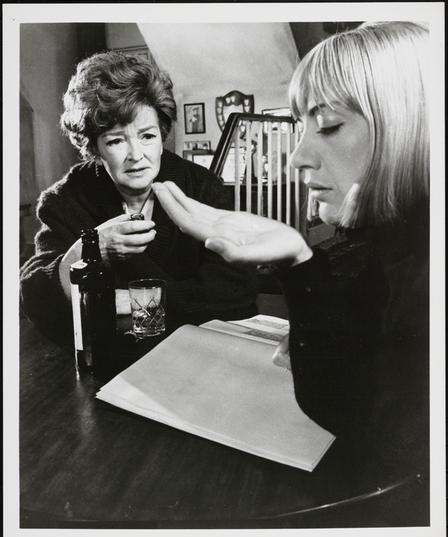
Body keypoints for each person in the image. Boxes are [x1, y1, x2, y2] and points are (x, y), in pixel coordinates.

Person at [152, 22, 429, 475]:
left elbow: (389, 439)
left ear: (410, 127)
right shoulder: (375, 243)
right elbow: (349, 393)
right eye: (302, 128)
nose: (297, 157)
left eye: (329, 126)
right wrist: (299, 265)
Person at [20, 51, 257, 346]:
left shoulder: (202, 187)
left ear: (161, 134)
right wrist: (89, 249)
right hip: (109, 353)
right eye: (116, 140)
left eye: (147, 136)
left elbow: (239, 290)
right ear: (94, 147)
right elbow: (34, 298)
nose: (136, 155)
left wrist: (135, 300)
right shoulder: (66, 199)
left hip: (195, 348)